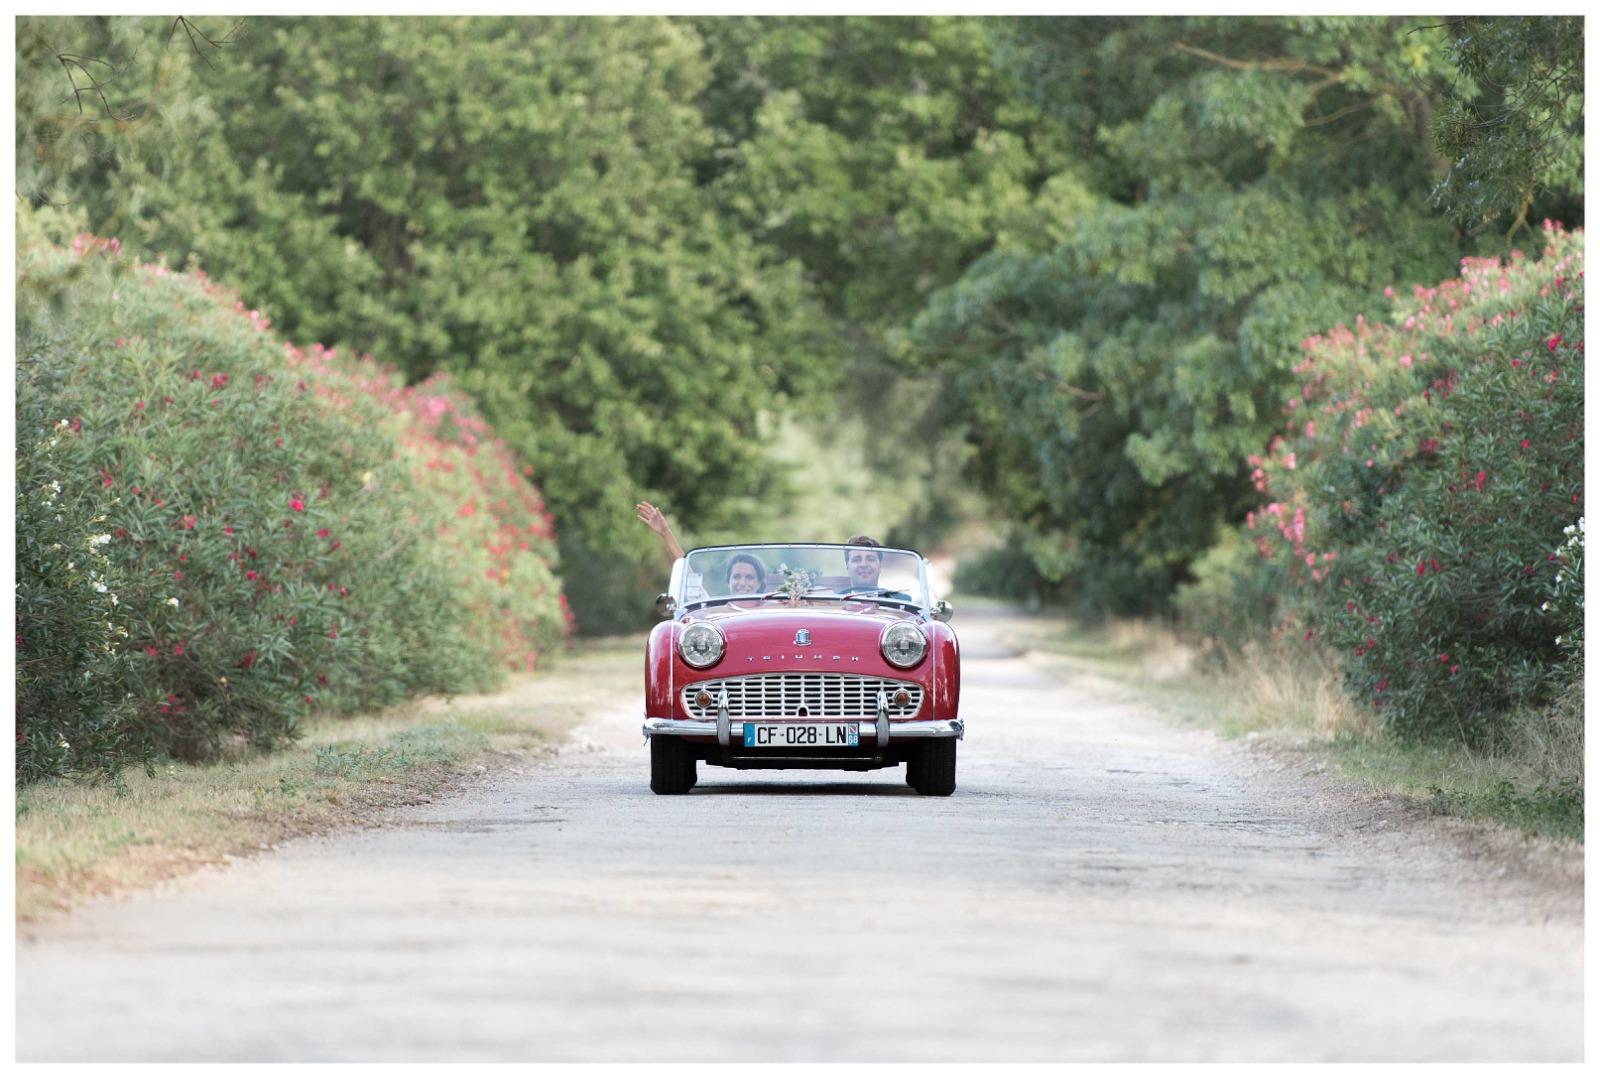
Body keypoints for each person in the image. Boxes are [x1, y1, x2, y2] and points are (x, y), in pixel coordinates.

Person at [842, 535, 910, 599]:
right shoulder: (834, 602)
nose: (863, 564)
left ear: (880, 566)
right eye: (857, 560)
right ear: (847, 567)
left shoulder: (903, 602)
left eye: (870, 559)